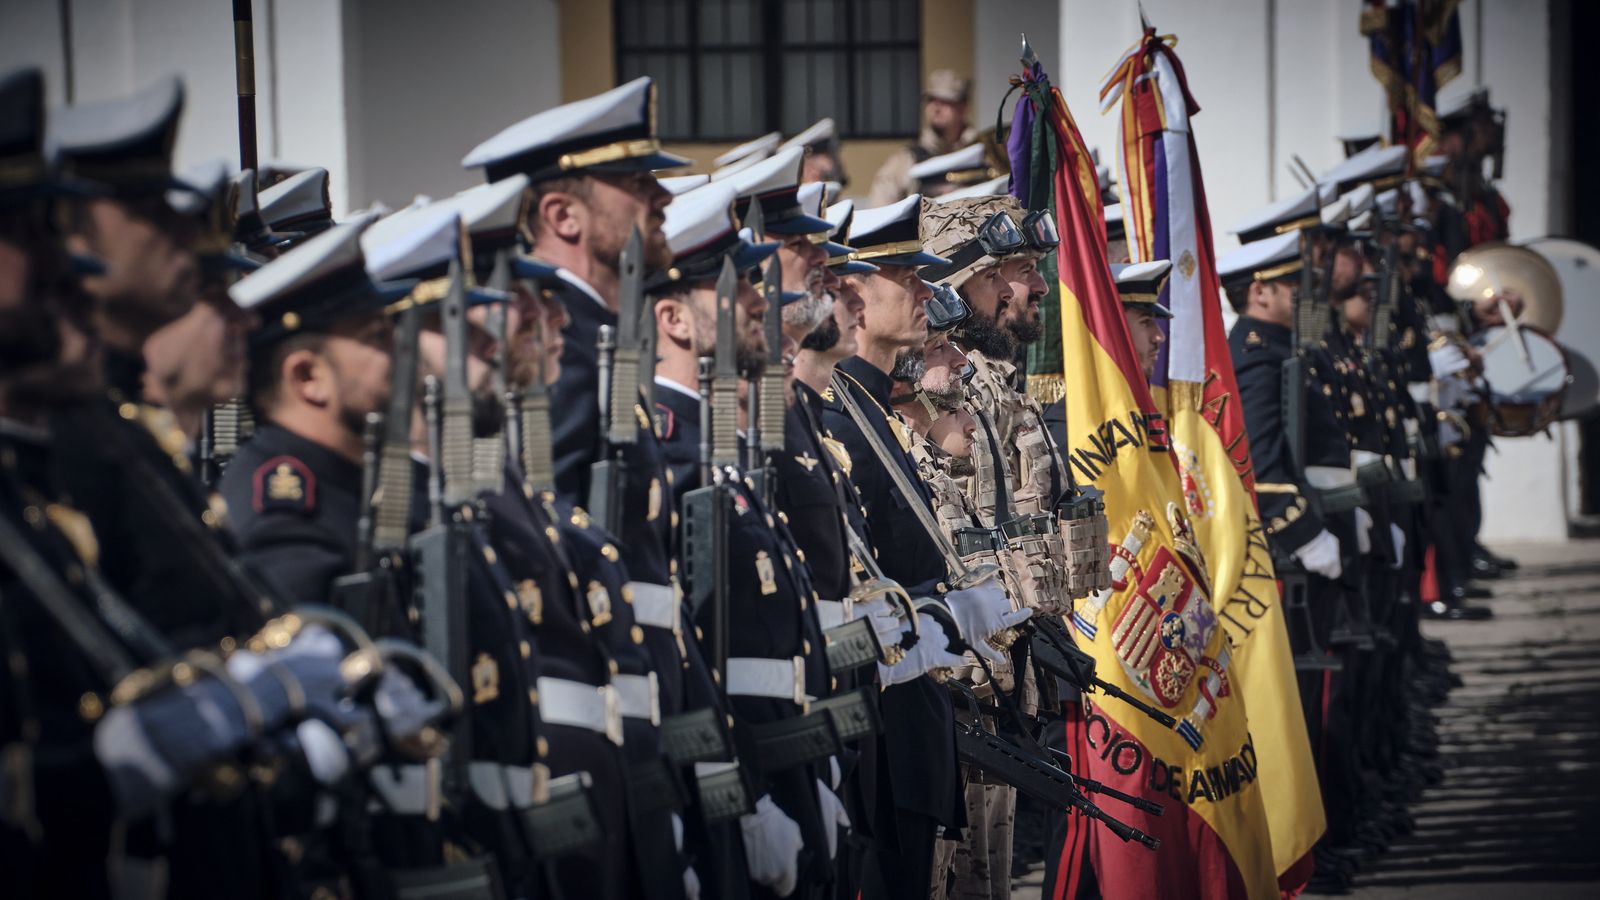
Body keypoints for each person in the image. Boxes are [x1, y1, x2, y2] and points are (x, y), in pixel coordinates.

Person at [825, 193, 1029, 900]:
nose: (923, 292)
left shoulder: (870, 408)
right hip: (883, 730)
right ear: (850, 292)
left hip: (919, 721)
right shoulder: (842, 417)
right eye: (904, 279)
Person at [868, 70, 981, 207]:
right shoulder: (905, 160)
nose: (936, 108)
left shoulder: (982, 154)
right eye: (931, 100)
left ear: (963, 107)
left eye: (945, 101)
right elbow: (881, 209)